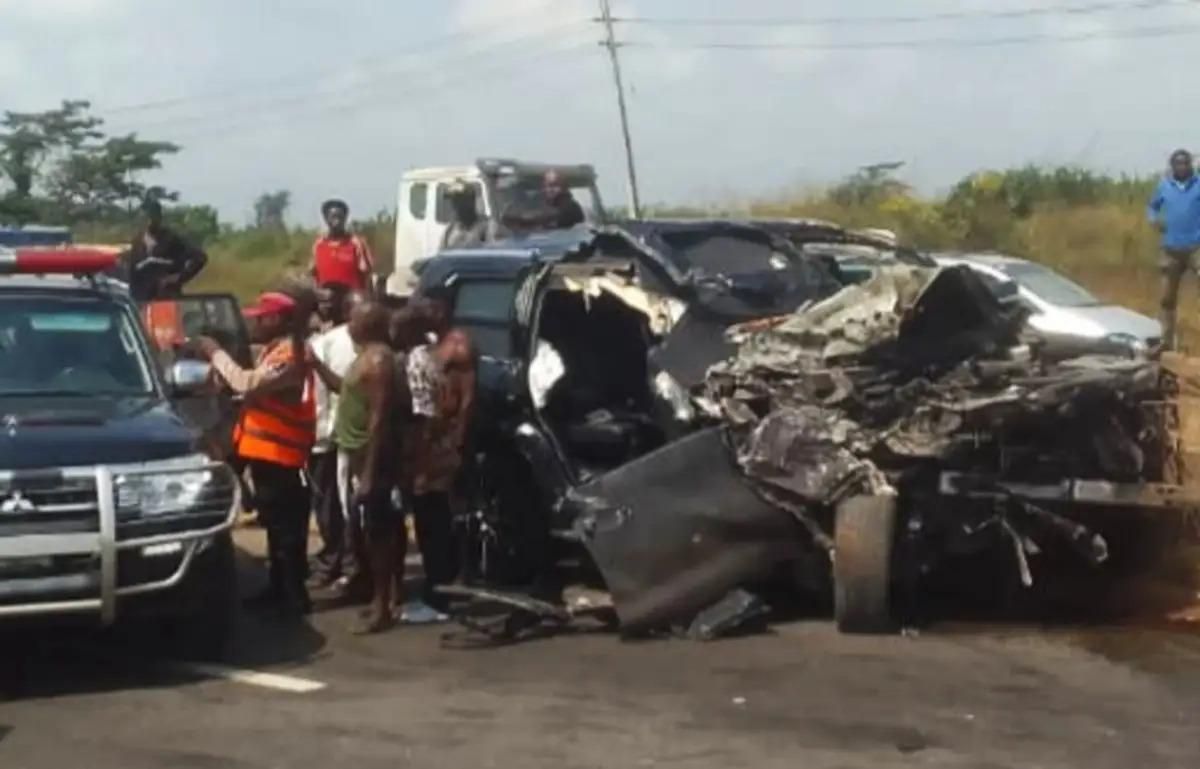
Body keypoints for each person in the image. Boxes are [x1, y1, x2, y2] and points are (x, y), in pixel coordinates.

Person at [194, 290, 315, 617]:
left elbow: (248, 383)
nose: (255, 326)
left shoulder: (290, 354)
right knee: (275, 528)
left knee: (287, 533)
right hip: (267, 454)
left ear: (276, 319)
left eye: (260, 319)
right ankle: (278, 588)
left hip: (283, 456)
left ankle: (293, 597)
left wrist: (216, 353)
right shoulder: (276, 349)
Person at [312, 302, 397, 633]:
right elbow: (343, 389)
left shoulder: (378, 361)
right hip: (353, 453)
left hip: (369, 456)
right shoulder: (364, 357)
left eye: (355, 319)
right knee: (363, 529)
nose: (349, 325)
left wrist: (370, 472)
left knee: (378, 531)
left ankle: (383, 605)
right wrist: (316, 365)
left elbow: (379, 418)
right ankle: (375, 596)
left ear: (370, 324)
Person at [399, 307, 477, 621]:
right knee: (432, 520)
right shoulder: (429, 349)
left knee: (435, 522)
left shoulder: (453, 346)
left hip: (436, 447)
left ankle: (439, 598)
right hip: (431, 444)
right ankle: (443, 587)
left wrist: (453, 444)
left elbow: (462, 401)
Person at [308, 287, 365, 588]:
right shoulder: (327, 343)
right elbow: (320, 394)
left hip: (361, 439)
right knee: (329, 503)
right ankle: (335, 558)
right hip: (329, 435)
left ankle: (352, 564)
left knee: (353, 504)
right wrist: (320, 434)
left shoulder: (380, 344)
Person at [1148, 149, 1200, 350]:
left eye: (1185, 163)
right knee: (1167, 297)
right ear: (1172, 166)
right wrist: (1154, 220)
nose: (1182, 167)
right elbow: (1152, 207)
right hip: (1171, 249)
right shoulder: (1164, 186)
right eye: (1178, 163)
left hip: (1196, 247)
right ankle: (1166, 341)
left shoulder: (1198, 184)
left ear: (1190, 165)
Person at [125, 197, 208, 301]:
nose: (149, 219)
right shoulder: (136, 243)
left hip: (167, 298)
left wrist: (179, 277)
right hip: (143, 300)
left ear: (159, 217)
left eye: (153, 215)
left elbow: (200, 257)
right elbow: (132, 273)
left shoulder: (171, 239)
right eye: (146, 216)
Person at [311, 199, 374, 292]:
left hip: (351, 296)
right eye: (333, 217)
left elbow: (366, 273)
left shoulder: (356, 243)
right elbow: (313, 273)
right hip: (324, 296)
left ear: (345, 218)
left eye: (340, 217)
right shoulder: (319, 244)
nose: (337, 221)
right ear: (326, 219)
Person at [440, 182, 494, 249]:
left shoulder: (487, 227)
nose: (456, 205)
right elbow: (442, 252)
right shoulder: (450, 230)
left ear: (471, 201)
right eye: (453, 201)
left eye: (459, 200)